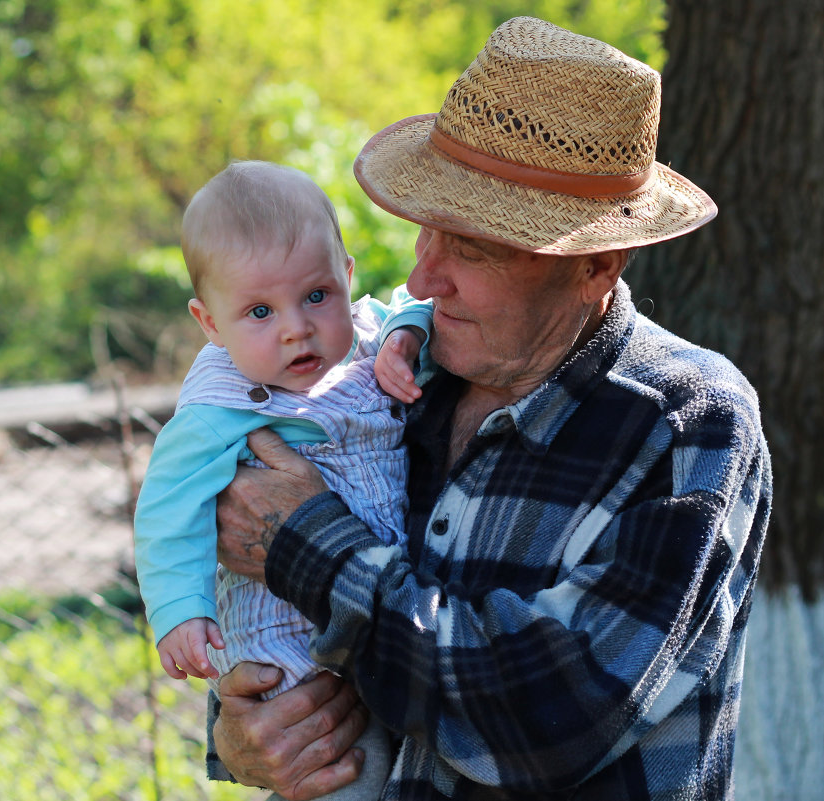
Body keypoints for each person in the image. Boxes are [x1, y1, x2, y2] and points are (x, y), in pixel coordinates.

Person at [208, 17, 773, 801]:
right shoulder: (394, 371)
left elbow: (551, 716)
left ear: (597, 263)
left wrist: (306, 545)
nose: (424, 275)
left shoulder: (685, 422)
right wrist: (245, 731)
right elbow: (289, 629)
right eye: (426, 234)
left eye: (474, 248)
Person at [133, 160, 432, 801]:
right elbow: (167, 510)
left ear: (347, 276)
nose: (296, 326)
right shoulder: (220, 407)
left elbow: (412, 307)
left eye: (317, 296)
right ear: (209, 323)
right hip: (289, 640)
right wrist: (179, 610)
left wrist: (406, 336)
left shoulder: (364, 340)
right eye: (260, 311)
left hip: (384, 613)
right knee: (338, 769)